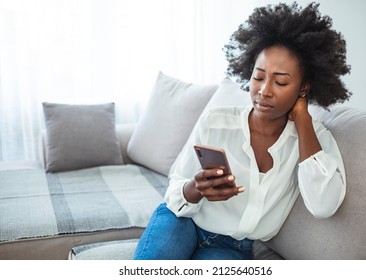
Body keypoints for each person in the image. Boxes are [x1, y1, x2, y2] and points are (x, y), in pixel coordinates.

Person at [133, 2, 351, 260]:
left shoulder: (313, 139)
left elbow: (323, 206)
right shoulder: (215, 122)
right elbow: (175, 189)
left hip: (230, 248)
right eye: (258, 77)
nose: (264, 90)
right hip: (183, 222)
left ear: (303, 88)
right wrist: (196, 188)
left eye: (281, 82)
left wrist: (302, 118)